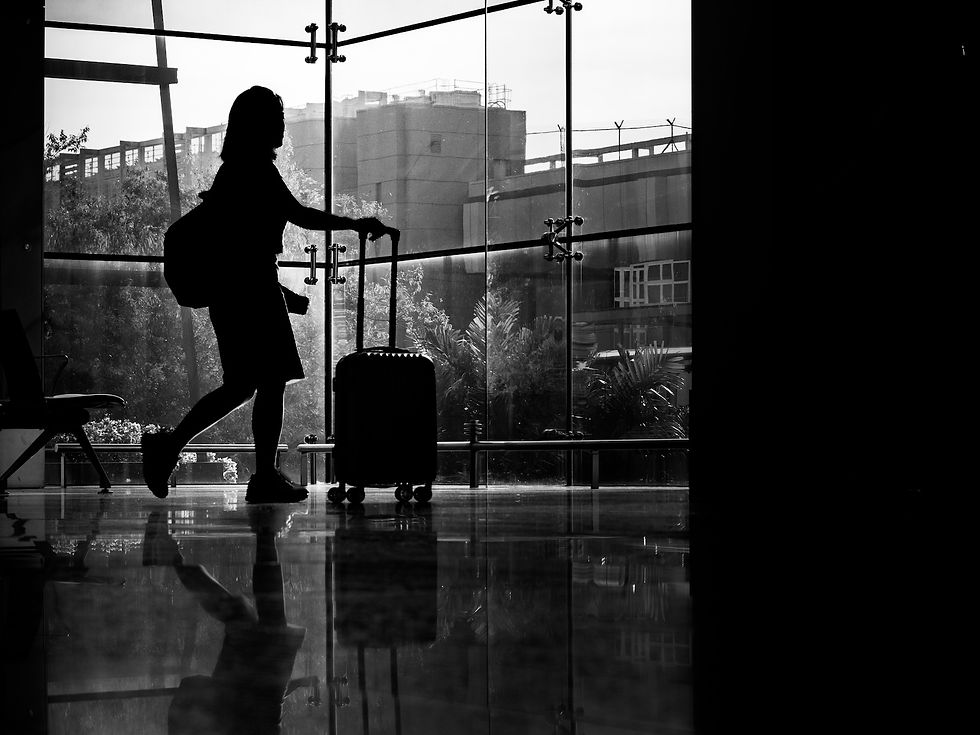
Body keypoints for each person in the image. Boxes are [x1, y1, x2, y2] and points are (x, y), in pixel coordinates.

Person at [141, 85, 393, 503]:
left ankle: (174, 448)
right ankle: (260, 476)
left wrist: (279, 294)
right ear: (257, 125)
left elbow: (238, 249)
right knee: (268, 381)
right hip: (250, 294)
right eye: (275, 120)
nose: (282, 127)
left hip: (240, 292)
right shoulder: (253, 168)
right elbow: (297, 217)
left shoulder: (237, 170)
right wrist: (354, 222)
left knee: (242, 385)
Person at [142, 507, 315, 734]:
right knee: (246, 619)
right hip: (243, 711)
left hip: (251, 711)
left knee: (267, 626)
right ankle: (171, 556)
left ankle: (265, 531)